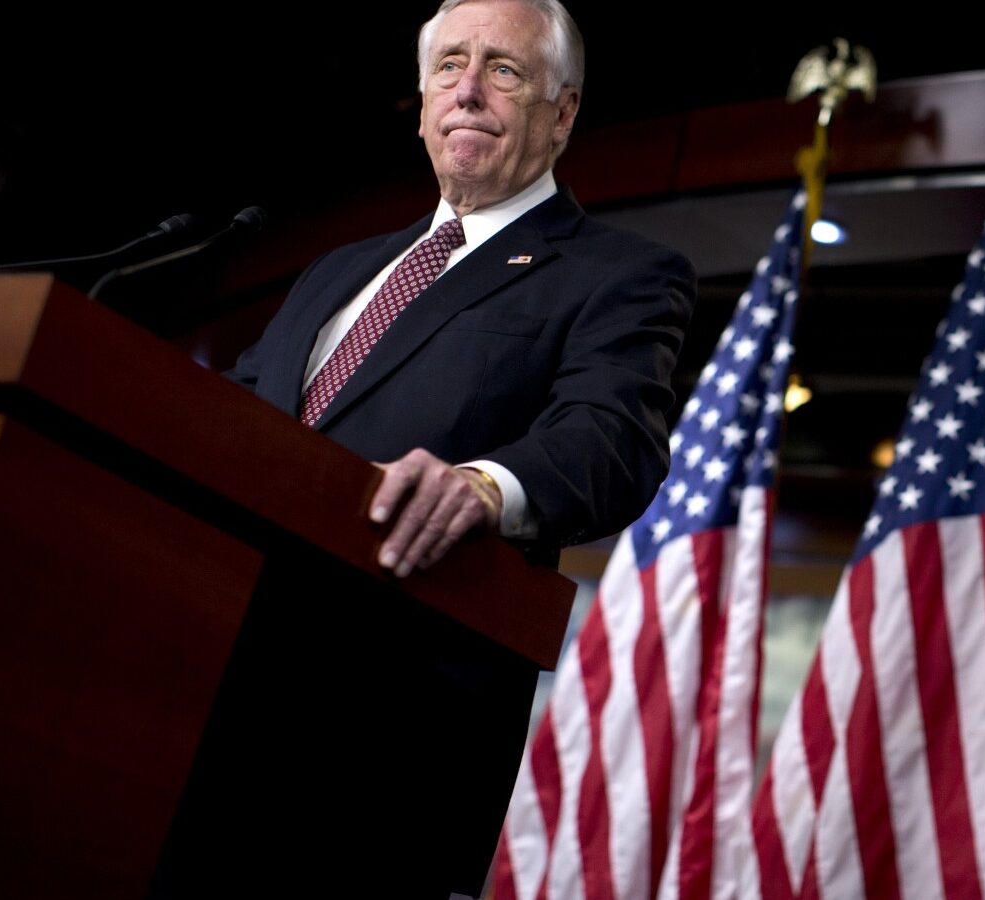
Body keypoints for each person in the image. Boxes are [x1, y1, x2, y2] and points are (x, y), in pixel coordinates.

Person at [217, 0, 696, 894]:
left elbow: (611, 439)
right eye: (450, 67)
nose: (468, 91)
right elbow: (234, 421)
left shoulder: (620, 274)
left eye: (504, 71)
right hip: (208, 682)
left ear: (562, 113)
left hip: (386, 738)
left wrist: (485, 487)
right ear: (424, 97)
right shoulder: (338, 269)